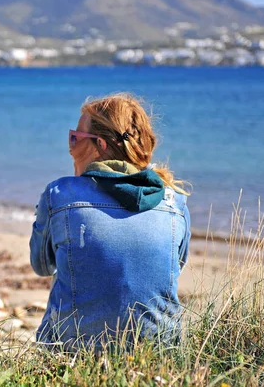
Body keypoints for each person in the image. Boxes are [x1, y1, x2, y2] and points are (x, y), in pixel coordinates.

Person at [29, 93, 190, 352]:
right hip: (160, 354)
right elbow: (175, 266)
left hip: (72, 352)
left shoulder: (60, 194)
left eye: (75, 139)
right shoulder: (175, 201)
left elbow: (42, 265)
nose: (70, 148)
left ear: (100, 146)